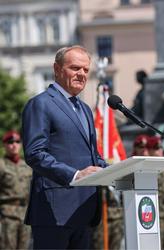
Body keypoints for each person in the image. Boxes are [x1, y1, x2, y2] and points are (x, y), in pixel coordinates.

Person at [22, 45, 107, 249]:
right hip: (54, 211)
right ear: (57, 69)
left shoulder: (85, 109)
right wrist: (75, 175)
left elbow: (91, 154)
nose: (82, 74)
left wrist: (115, 170)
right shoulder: (41, 104)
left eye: (86, 70)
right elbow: (35, 153)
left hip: (84, 210)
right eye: (75, 68)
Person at [0, 131, 32, 249]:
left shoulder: (27, 166)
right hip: (8, 215)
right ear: (4, 145)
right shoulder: (1, 165)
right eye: (10, 142)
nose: (14, 145)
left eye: (17, 142)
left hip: (25, 215)